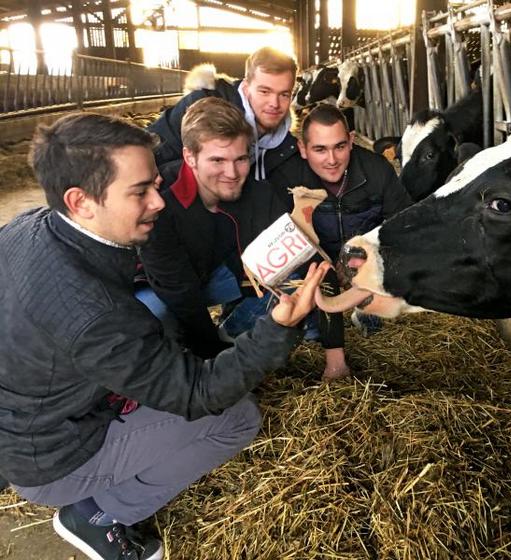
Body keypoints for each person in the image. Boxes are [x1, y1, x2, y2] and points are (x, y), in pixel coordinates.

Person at [0, 112, 328, 560]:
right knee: (237, 418)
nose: (159, 201)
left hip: (25, 419)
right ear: (81, 201)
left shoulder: (28, 226)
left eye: (155, 184)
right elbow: (198, 393)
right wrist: (277, 329)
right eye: (140, 192)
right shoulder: (97, 313)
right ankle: (98, 515)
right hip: (51, 457)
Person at [137, 96, 287, 358]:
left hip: (216, 274)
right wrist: (214, 354)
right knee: (156, 325)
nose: (232, 173)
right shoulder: (160, 202)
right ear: (190, 157)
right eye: (217, 161)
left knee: (290, 281)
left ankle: (231, 328)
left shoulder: (258, 192)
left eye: (241, 159)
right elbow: (178, 291)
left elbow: (291, 261)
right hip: (160, 286)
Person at [278, 103, 412, 379]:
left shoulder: (376, 170)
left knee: (374, 322)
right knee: (308, 326)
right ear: (302, 148)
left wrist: (359, 263)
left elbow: (401, 225)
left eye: (340, 146)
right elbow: (284, 238)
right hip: (315, 266)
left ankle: (363, 313)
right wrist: (324, 269)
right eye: (319, 149)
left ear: (351, 140)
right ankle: (333, 356)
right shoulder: (289, 178)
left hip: (366, 264)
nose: (332, 159)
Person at [148, 46, 298, 183]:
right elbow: (151, 154)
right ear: (246, 88)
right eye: (264, 92)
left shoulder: (289, 145)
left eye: (284, 94)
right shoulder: (202, 106)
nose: (274, 103)